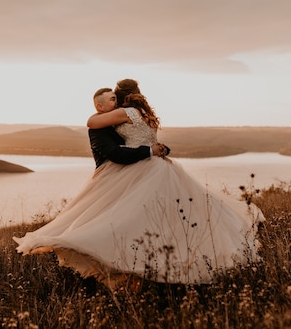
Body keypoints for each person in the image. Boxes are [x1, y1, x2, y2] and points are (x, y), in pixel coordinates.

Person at [13, 79, 265, 290]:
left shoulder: (126, 113)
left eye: (115, 97)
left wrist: (99, 110)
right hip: (158, 166)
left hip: (143, 167)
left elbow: (92, 122)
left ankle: (128, 264)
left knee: (130, 218)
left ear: (122, 97)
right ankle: (159, 266)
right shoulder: (146, 114)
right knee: (168, 219)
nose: (114, 102)